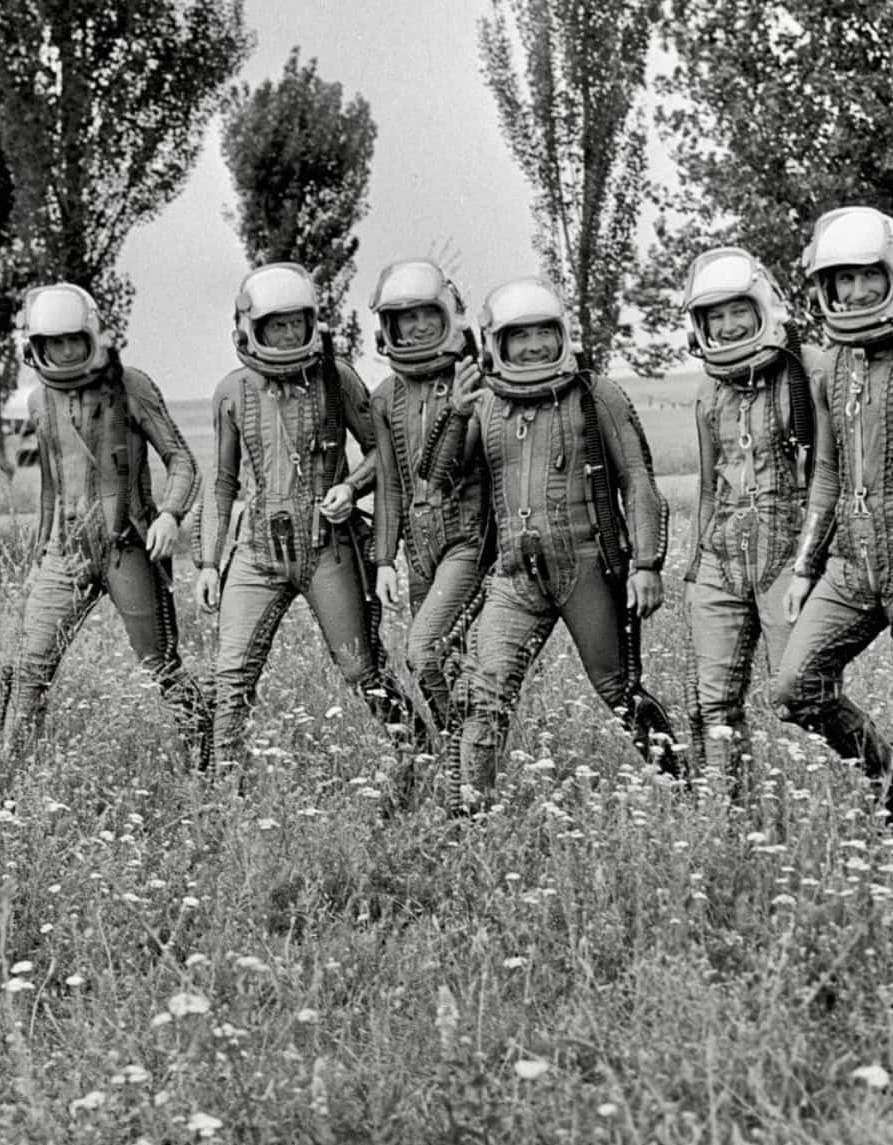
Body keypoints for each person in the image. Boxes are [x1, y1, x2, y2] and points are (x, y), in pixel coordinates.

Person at [443, 277, 680, 805]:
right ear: (496, 344)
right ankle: (472, 813)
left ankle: (685, 787)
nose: (533, 347)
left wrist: (646, 563)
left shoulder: (597, 396)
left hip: (587, 567)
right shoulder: (485, 403)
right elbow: (445, 479)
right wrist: (456, 415)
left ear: (563, 334)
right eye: (519, 337)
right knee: (487, 693)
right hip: (514, 577)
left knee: (618, 690)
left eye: (544, 333)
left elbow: (638, 481)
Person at [771, 207, 893, 827]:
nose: (855, 292)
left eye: (866, 276)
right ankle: (890, 780)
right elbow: (827, 470)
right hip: (852, 562)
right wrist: (805, 567)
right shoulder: (835, 362)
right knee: (795, 687)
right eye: (841, 280)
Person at [193, 262, 414, 771]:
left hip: (328, 548)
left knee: (361, 669)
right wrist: (208, 562)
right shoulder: (231, 392)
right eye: (277, 325)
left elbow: (385, 454)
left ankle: (415, 755)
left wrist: (350, 485)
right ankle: (227, 790)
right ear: (252, 328)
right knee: (231, 676)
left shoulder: (337, 379)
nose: (290, 333)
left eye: (298, 322)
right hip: (256, 553)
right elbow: (223, 482)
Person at [0, 282, 209, 766]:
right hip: (65, 551)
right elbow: (50, 489)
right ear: (37, 346)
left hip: (127, 546)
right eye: (55, 343)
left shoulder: (131, 385)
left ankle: (210, 757)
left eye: (74, 339)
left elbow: (181, 461)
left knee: (160, 665)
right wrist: (38, 560)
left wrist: (169, 516)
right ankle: (11, 776)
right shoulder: (39, 401)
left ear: (91, 336)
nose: (67, 351)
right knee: (31, 666)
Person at [680, 247, 819, 791]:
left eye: (738, 310)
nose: (729, 324)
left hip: (788, 545)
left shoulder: (805, 373)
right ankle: (728, 814)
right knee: (713, 700)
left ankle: (882, 780)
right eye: (715, 316)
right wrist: (695, 570)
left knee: (800, 692)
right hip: (722, 552)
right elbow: (708, 485)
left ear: (763, 307)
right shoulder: (708, 393)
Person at [369, 259, 490, 753]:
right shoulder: (384, 396)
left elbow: (467, 462)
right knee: (449, 661)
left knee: (423, 652)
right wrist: (383, 560)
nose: (418, 327)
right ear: (389, 328)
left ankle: (462, 747)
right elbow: (390, 485)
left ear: (448, 317)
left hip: (468, 538)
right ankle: (470, 760)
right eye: (406, 318)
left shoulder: (477, 379)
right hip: (418, 551)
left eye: (427, 315)